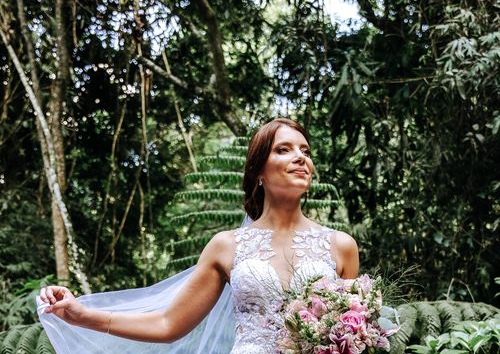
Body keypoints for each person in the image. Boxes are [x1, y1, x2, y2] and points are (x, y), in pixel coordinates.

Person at [38, 118, 359, 353]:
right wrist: (81, 316)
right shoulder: (227, 246)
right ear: (259, 171)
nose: (300, 157)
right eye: (284, 149)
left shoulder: (341, 246)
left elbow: (350, 334)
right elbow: (168, 324)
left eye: (305, 150)